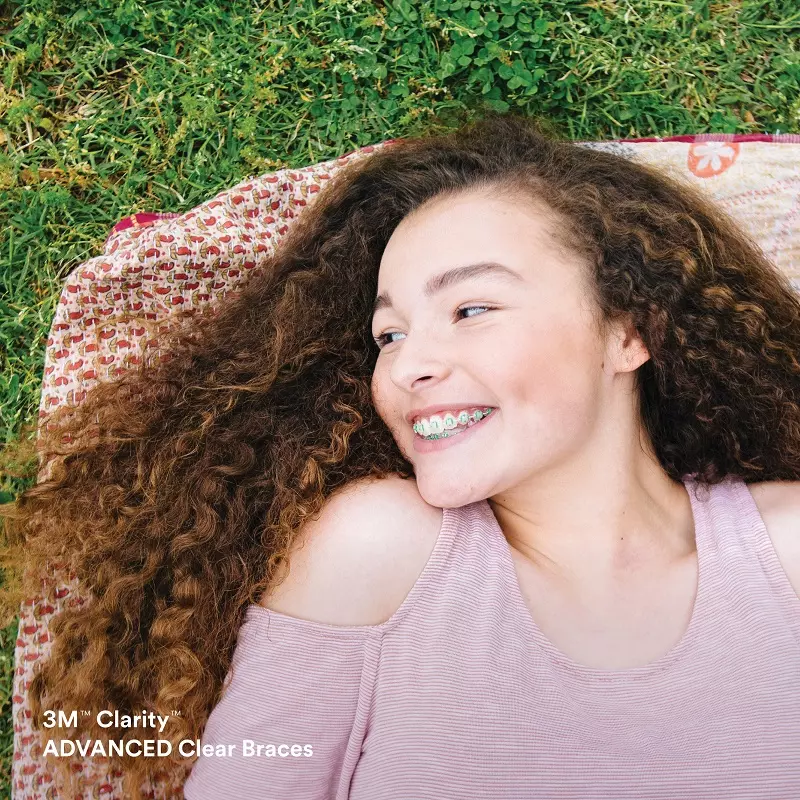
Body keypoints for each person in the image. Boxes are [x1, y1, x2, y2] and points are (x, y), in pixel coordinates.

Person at [5, 112, 800, 799]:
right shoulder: (377, 551)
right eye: (389, 334)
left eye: (472, 307)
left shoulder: (785, 551)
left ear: (629, 332)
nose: (408, 364)